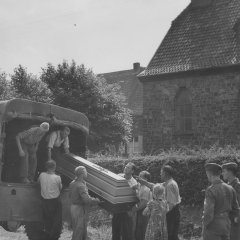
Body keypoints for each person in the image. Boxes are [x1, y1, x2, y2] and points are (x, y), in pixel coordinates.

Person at [137, 165, 181, 240]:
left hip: (172, 214)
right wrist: (144, 182)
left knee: (171, 235)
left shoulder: (171, 185)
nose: (160, 174)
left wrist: (160, 214)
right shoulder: (167, 183)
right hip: (169, 212)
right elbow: (156, 187)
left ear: (165, 173)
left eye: (161, 172)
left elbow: (171, 204)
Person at [202, 163, 239, 240]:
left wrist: (205, 225)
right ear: (219, 173)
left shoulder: (210, 190)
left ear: (208, 174)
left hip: (214, 225)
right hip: (226, 224)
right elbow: (236, 209)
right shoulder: (230, 188)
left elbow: (208, 212)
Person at [69, 166, 100, 240]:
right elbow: (87, 200)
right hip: (79, 209)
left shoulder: (73, 183)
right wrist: (96, 201)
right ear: (82, 174)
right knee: (79, 230)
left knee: (79, 230)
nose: (87, 173)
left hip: (74, 208)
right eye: (86, 171)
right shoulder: (80, 185)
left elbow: (69, 195)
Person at [112, 162, 138, 240]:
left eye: (128, 168)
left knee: (126, 231)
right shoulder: (118, 176)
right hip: (117, 208)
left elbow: (134, 198)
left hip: (126, 209)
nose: (125, 168)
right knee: (115, 230)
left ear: (132, 171)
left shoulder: (134, 183)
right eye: (125, 167)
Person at [38, 160, 62, 240]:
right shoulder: (57, 177)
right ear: (54, 167)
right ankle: (54, 237)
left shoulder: (41, 175)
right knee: (57, 220)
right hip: (55, 201)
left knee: (47, 220)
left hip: (44, 201)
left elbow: (38, 183)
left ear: (46, 167)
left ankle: (47, 236)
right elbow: (60, 188)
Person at [222, 162, 240, 240]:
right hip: (227, 220)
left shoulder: (237, 185)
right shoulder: (228, 185)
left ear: (230, 172)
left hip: (234, 221)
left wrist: (236, 217)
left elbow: (238, 204)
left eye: (224, 171)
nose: (222, 174)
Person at [132, 170, 152, 240]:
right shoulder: (139, 185)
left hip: (144, 212)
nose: (138, 177)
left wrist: (133, 209)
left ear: (146, 179)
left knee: (142, 230)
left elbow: (143, 203)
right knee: (137, 229)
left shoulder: (146, 189)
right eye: (139, 175)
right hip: (139, 210)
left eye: (141, 176)